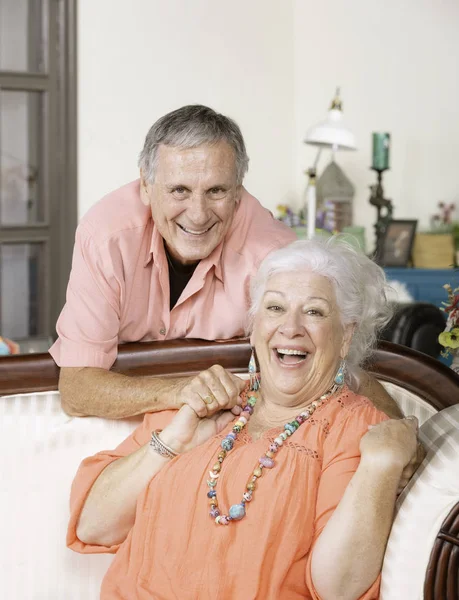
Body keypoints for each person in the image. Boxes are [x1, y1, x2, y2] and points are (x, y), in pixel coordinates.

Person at [68, 237, 418, 599]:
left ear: (345, 336)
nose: (291, 327)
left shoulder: (353, 428)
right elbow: (94, 525)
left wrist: (381, 465)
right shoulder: (206, 396)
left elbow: (338, 587)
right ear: (253, 328)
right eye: (275, 308)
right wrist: (172, 443)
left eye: (314, 312)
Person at [50, 104, 401, 421]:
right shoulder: (106, 235)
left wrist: (398, 436)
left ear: (237, 191)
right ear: (145, 185)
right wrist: (177, 391)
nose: (198, 215)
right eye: (179, 191)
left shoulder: (272, 252)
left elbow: (329, 362)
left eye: (216, 191)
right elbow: (77, 388)